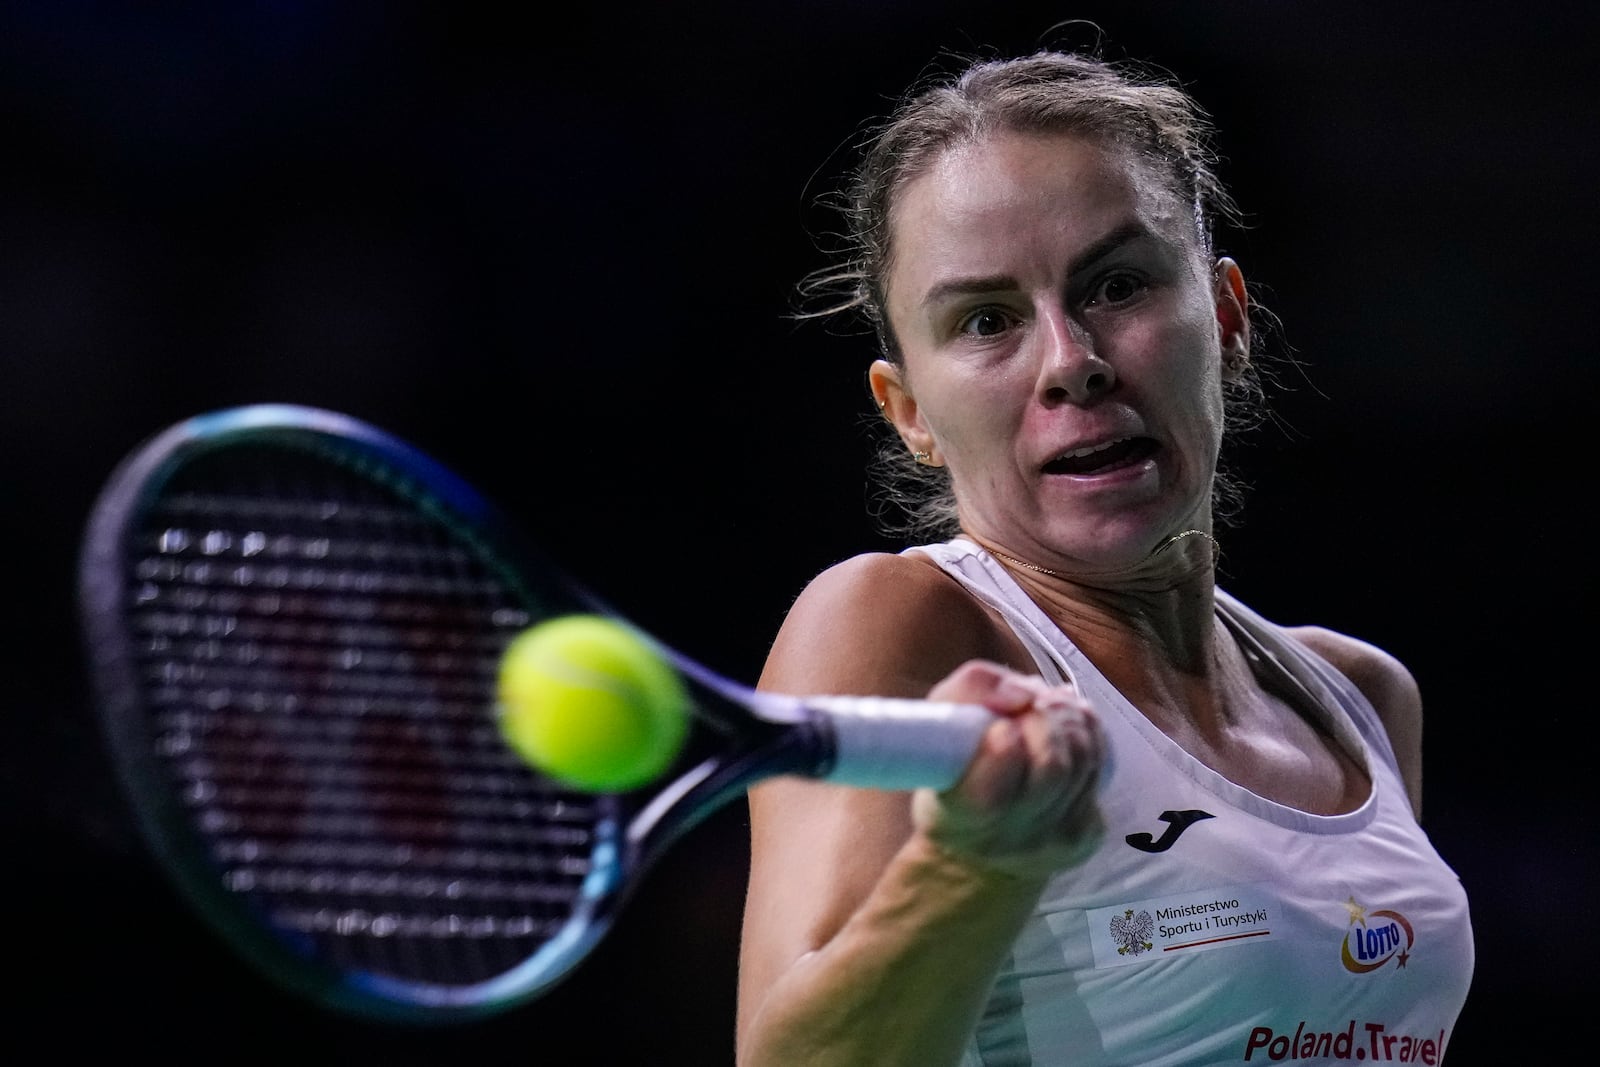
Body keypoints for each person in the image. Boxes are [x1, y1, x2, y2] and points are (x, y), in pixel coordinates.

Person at [734, 47, 1474, 1066]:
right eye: (986, 321)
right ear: (909, 414)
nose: (1070, 360)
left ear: (1225, 316)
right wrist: (972, 867)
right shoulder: (898, 624)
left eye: (1116, 284)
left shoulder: (1358, 698)